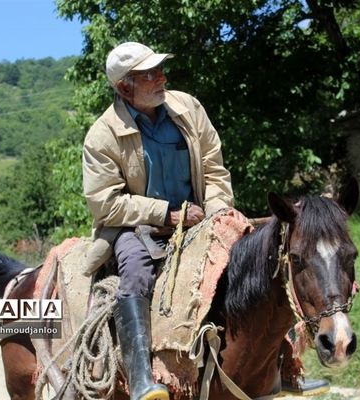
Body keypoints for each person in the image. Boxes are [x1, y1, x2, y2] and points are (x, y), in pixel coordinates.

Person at [82, 42, 234, 400]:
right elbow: (106, 204)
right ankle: (140, 379)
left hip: (201, 218)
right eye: (149, 74)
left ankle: (280, 365)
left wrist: (217, 213)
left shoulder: (188, 108)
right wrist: (165, 213)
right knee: (135, 271)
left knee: (252, 257)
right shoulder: (101, 136)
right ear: (124, 87)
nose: (161, 78)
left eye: (160, 69)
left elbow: (214, 169)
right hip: (135, 228)